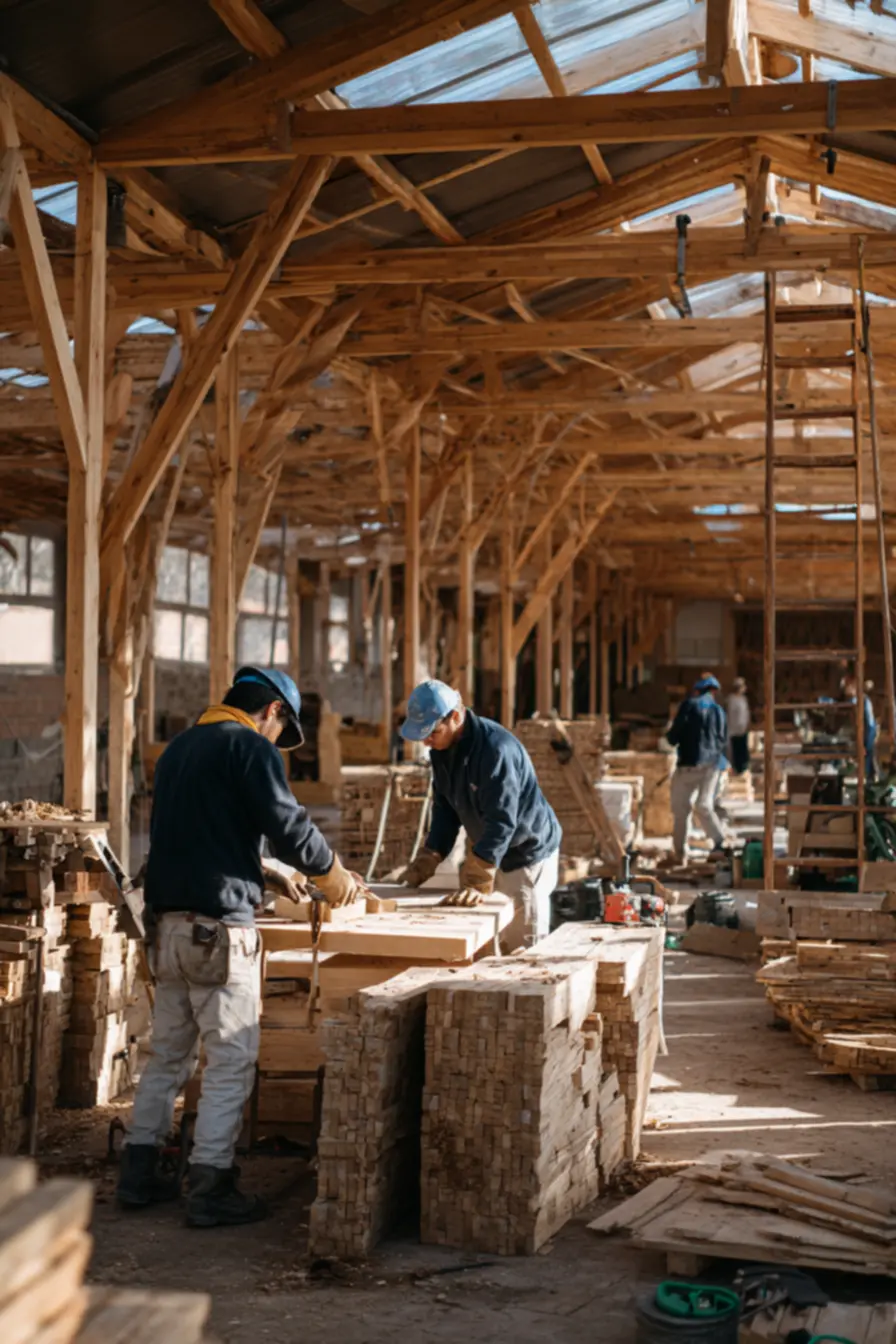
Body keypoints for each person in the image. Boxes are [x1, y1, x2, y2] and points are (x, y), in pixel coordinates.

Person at [117, 666, 368, 1227]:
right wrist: (331, 875)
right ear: (273, 710)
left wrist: (262, 869)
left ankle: (138, 1171)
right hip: (219, 931)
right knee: (231, 1058)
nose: (277, 741)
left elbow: (197, 832)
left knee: (168, 1057)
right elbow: (287, 822)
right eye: (281, 729)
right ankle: (211, 1186)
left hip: (169, 927)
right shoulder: (250, 749)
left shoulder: (180, 749)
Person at [398, 680, 561, 951]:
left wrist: (478, 876)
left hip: (525, 854)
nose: (426, 741)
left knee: (521, 949)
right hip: (489, 848)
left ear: (455, 717)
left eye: (432, 732)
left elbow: (502, 820)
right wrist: (432, 854)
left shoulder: (496, 750)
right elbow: (445, 809)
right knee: (482, 942)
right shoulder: (442, 750)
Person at [667, 674, 728, 860]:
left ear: (696, 690)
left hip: (687, 765)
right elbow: (722, 739)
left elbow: (672, 737)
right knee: (703, 805)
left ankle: (680, 852)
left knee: (680, 809)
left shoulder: (688, 705)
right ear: (714, 691)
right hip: (711, 766)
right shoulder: (719, 711)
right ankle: (719, 843)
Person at [843, 674, 879, 782]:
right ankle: (871, 776)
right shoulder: (862, 698)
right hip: (868, 728)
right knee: (869, 754)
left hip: (868, 729)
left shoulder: (861, 699)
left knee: (867, 753)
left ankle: (868, 777)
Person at [726, 676, 751, 776]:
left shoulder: (743, 699)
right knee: (736, 750)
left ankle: (743, 768)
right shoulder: (731, 699)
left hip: (743, 729)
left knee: (743, 749)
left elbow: (745, 713)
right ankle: (737, 768)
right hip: (734, 729)